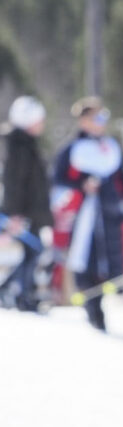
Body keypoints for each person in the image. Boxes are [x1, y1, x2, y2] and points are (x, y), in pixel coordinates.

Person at [50, 97, 123, 331]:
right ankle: (92, 307)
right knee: (85, 258)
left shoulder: (110, 146)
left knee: (111, 258)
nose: (101, 123)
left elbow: (121, 180)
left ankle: (107, 298)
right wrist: (82, 185)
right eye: (97, 118)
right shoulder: (72, 149)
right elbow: (58, 179)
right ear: (84, 121)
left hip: (109, 213)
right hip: (83, 213)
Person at [1, 95, 53, 311]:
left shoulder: (26, 144)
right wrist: (13, 215)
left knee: (34, 252)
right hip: (23, 212)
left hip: (31, 210)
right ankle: (19, 294)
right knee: (33, 251)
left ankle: (19, 293)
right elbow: (14, 183)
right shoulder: (18, 146)